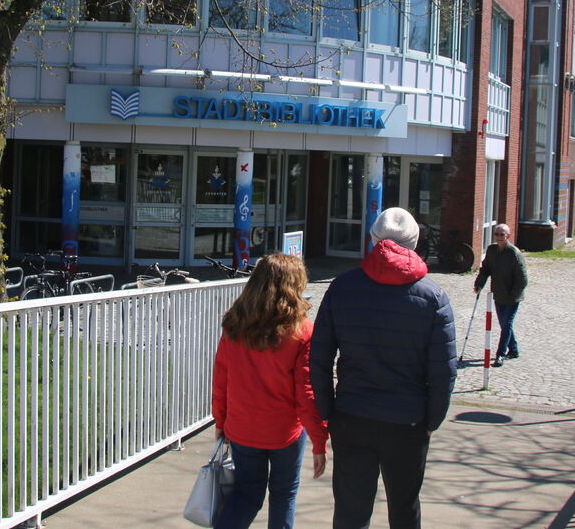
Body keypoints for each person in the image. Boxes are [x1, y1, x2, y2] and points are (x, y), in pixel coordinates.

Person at [310, 207, 457, 529]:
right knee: (405, 510)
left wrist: (327, 411)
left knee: (350, 511)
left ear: (373, 240)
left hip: (352, 415)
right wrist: (432, 420)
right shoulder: (433, 297)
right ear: (415, 243)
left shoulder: (343, 287)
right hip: (407, 421)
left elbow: (318, 357)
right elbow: (443, 371)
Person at [212, 253, 328, 529]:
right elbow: (307, 392)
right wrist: (319, 439)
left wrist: (221, 420)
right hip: (284, 431)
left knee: (246, 495)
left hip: (242, 427)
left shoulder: (234, 325)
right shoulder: (303, 331)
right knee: (283, 495)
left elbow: (221, 379)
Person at [473, 223, 528, 367]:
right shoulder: (491, 251)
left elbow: (522, 279)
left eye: (502, 234)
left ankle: (500, 355)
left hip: (512, 297)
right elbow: (485, 269)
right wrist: (479, 284)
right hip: (498, 295)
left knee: (506, 324)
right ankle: (514, 350)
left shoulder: (514, 254)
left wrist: (513, 296)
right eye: (496, 234)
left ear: (508, 236)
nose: (499, 237)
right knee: (504, 324)